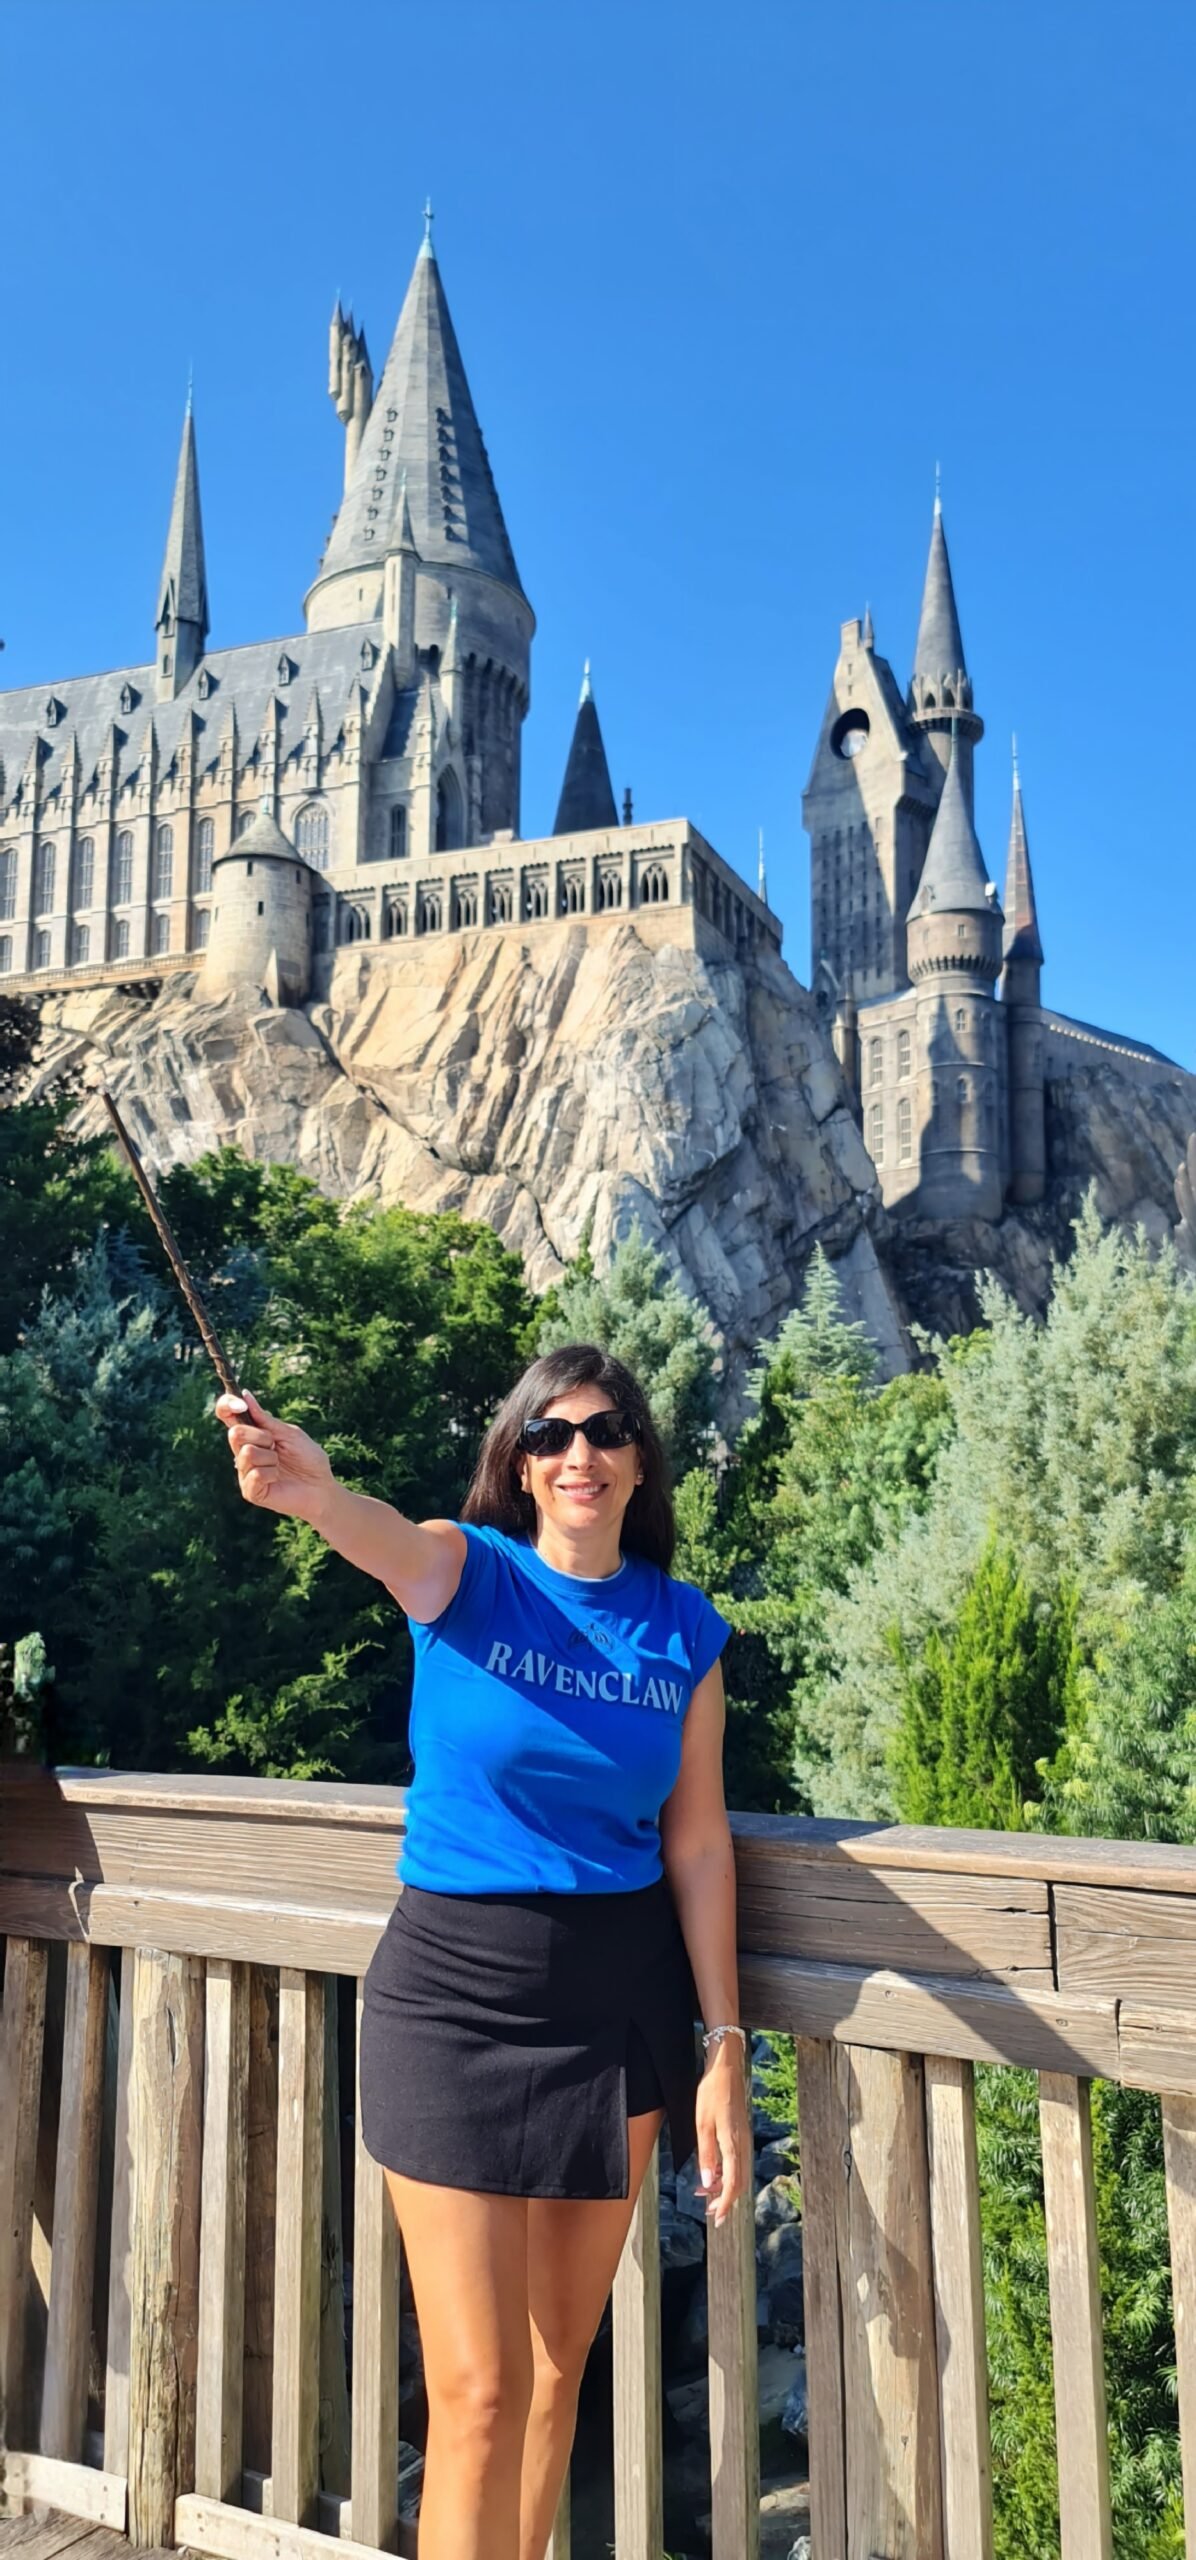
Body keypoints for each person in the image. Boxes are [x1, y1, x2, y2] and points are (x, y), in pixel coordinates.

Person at [216, 1341, 750, 2560]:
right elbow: (369, 1532)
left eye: (606, 1431)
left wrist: (721, 2043)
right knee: (478, 2391)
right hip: (450, 2000)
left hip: (615, 2009)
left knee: (559, 2377)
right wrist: (310, 1489)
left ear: (639, 1462)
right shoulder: (466, 1571)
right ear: (516, 1461)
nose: (579, 1454)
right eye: (550, 1434)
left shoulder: (683, 1631)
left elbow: (699, 1845)